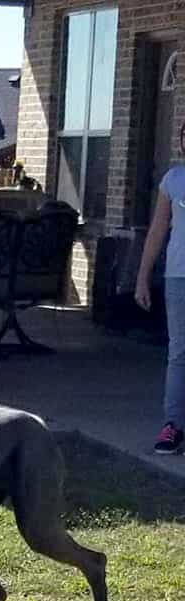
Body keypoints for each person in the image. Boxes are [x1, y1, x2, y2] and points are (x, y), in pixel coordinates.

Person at [136, 129, 185, 455]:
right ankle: (173, 426)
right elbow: (157, 230)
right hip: (178, 278)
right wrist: (142, 276)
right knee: (179, 353)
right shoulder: (173, 180)